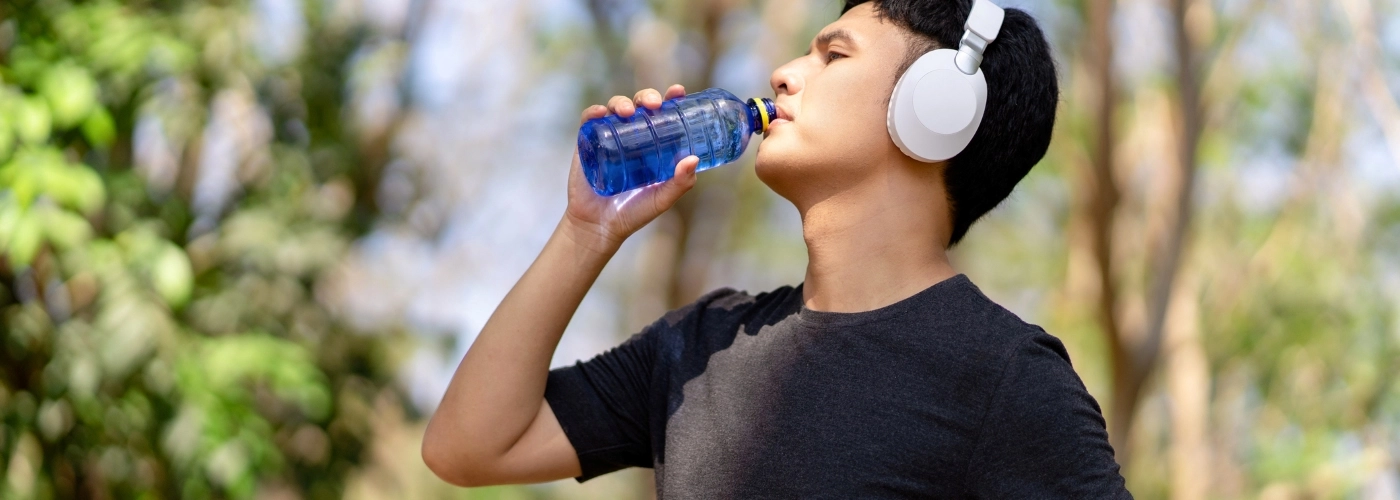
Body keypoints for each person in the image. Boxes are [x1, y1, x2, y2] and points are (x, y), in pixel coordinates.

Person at [422, 0, 1132, 497]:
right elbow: (467, 447)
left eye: (834, 55)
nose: (785, 72)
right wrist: (585, 232)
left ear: (935, 110)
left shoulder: (1005, 376)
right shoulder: (701, 342)